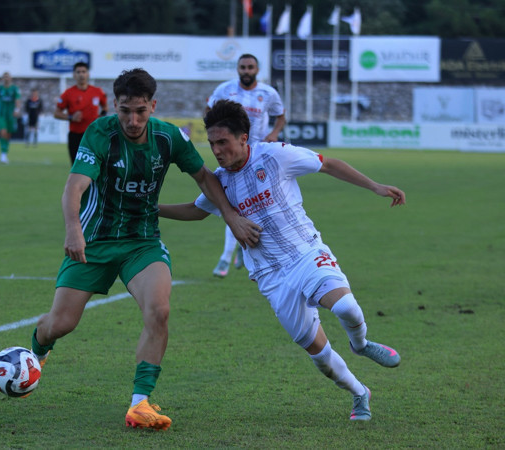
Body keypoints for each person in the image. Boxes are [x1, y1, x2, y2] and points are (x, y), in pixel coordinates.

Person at [30, 70, 261, 431]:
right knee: (60, 324)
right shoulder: (99, 133)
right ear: (114, 105)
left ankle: (140, 403)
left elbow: (204, 176)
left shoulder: (169, 138)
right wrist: (73, 230)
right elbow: (74, 187)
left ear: (153, 105)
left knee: (159, 310)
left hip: (143, 242)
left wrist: (231, 218)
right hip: (94, 242)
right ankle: (37, 352)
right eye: (125, 111)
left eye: (140, 111)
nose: (133, 120)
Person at [159, 99, 405, 421]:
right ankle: (360, 392)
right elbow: (196, 210)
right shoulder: (219, 181)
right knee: (319, 356)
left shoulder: (275, 155)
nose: (217, 150)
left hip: (305, 252)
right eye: (212, 143)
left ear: (244, 138)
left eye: (223, 142)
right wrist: (154, 209)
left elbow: (327, 164)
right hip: (271, 276)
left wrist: (375, 186)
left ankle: (360, 344)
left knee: (345, 307)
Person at [206, 53, 286, 278]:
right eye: (243, 67)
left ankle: (239, 252)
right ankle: (225, 258)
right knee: (234, 206)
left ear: (257, 70)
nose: (246, 71)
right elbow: (209, 111)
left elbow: (280, 116)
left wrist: (274, 134)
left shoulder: (268, 93)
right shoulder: (225, 89)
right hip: (232, 156)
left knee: (249, 206)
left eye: (250, 67)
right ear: (237, 69)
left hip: (258, 156)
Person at [54, 61, 108, 163]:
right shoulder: (68, 93)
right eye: (78, 72)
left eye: (84, 71)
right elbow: (56, 113)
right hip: (76, 135)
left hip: (94, 134)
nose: (81, 74)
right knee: (76, 166)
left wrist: (103, 115)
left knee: (96, 165)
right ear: (74, 75)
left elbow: (105, 106)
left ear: (88, 74)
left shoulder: (97, 91)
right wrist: (70, 117)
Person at [0, 72, 21, 164]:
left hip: (11, 115)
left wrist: (17, 110)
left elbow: (17, 100)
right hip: (1, 115)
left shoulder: (15, 89)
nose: (6, 78)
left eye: (8, 77)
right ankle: (3, 155)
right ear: (2, 79)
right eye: (4, 77)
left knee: (8, 134)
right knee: (3, 132)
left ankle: (5, 152)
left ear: (11, 78)